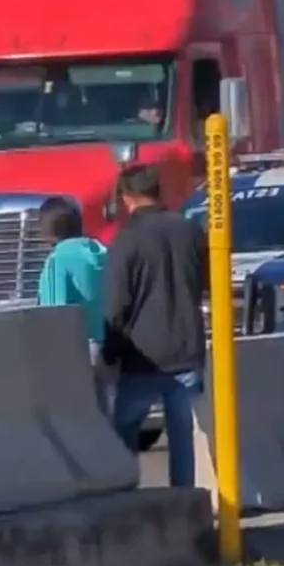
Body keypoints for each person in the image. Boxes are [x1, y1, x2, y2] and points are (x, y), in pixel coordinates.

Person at [103, 163, 207, 487]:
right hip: (187, 350)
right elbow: (203, 283)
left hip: (143, 357)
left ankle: (123, 494)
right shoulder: (190, 230)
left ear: (126, 198)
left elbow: (118, 301)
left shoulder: (128, 239)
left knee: (123, 431)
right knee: (182, 435)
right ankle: (185, 499)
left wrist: (112, 349)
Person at [37, 197, 110, 412]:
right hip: (109, 344)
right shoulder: (102, 252)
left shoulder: (57, 260)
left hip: (77, 349)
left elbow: (54, 312)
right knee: (104, 412)